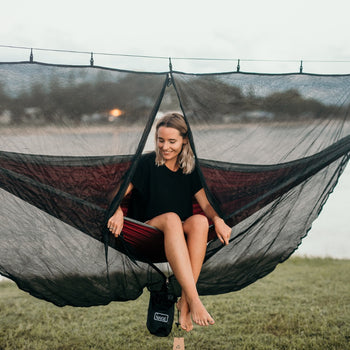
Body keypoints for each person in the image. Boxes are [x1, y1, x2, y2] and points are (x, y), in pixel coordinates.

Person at [107, 112, 231, 332]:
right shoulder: (145, 163)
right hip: (145, 233)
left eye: (171, 141)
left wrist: (218, 220)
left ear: (184, 140)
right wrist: (117, 212)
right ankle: (194, 300)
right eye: (160, 140)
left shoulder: (190, 168)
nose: (165, 147)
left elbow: (206, 205)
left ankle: (185, 301)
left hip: (176, 237)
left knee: (201, 222)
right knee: (173, 218)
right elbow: (114, 195)